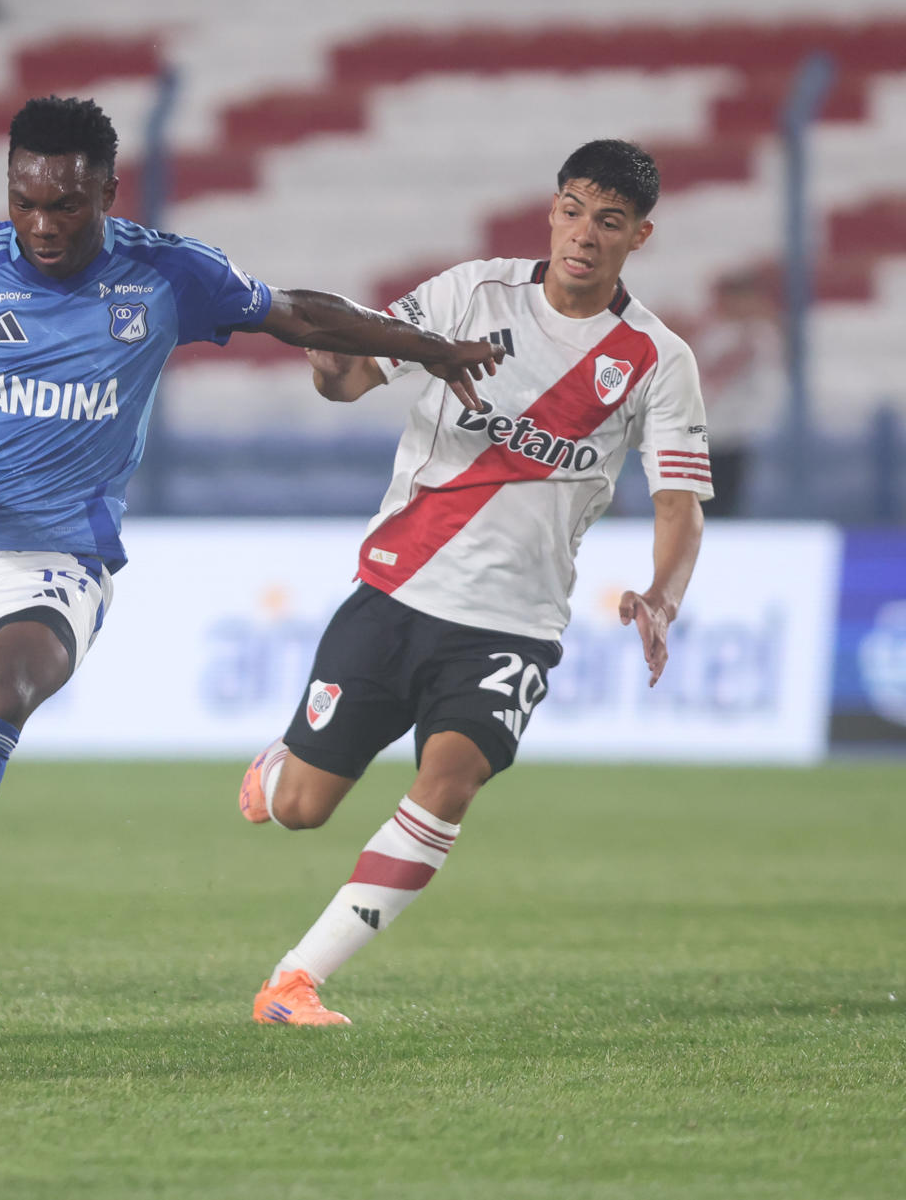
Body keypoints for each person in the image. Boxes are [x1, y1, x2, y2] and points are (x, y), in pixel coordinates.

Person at [0, 96, 502, 1041]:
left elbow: (300, 315)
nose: (43, 225)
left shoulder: (167, 272)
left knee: (6, 680)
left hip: (58, 555)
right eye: (25, 202)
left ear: (108, 192)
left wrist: (429, 346)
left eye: (66, 205)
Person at [236, 139, 712, 1026]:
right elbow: (350, 380)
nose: (584, 234)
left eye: (609, 221)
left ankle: (295, 979)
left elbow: (680, 503)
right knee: (300, 807)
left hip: (513, 622)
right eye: (573, 209)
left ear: (638, 236)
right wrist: (320, 346)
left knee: (450, 781)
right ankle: (282, 762)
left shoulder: (657, 359)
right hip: (398, 589)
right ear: (552, 210)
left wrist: (662, 595)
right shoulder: (471, 294)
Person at [689, 269, 783, 517]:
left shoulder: (760, 334)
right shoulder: (710, 332)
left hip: (738, 433)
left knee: (729, 503)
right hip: (704, 432)